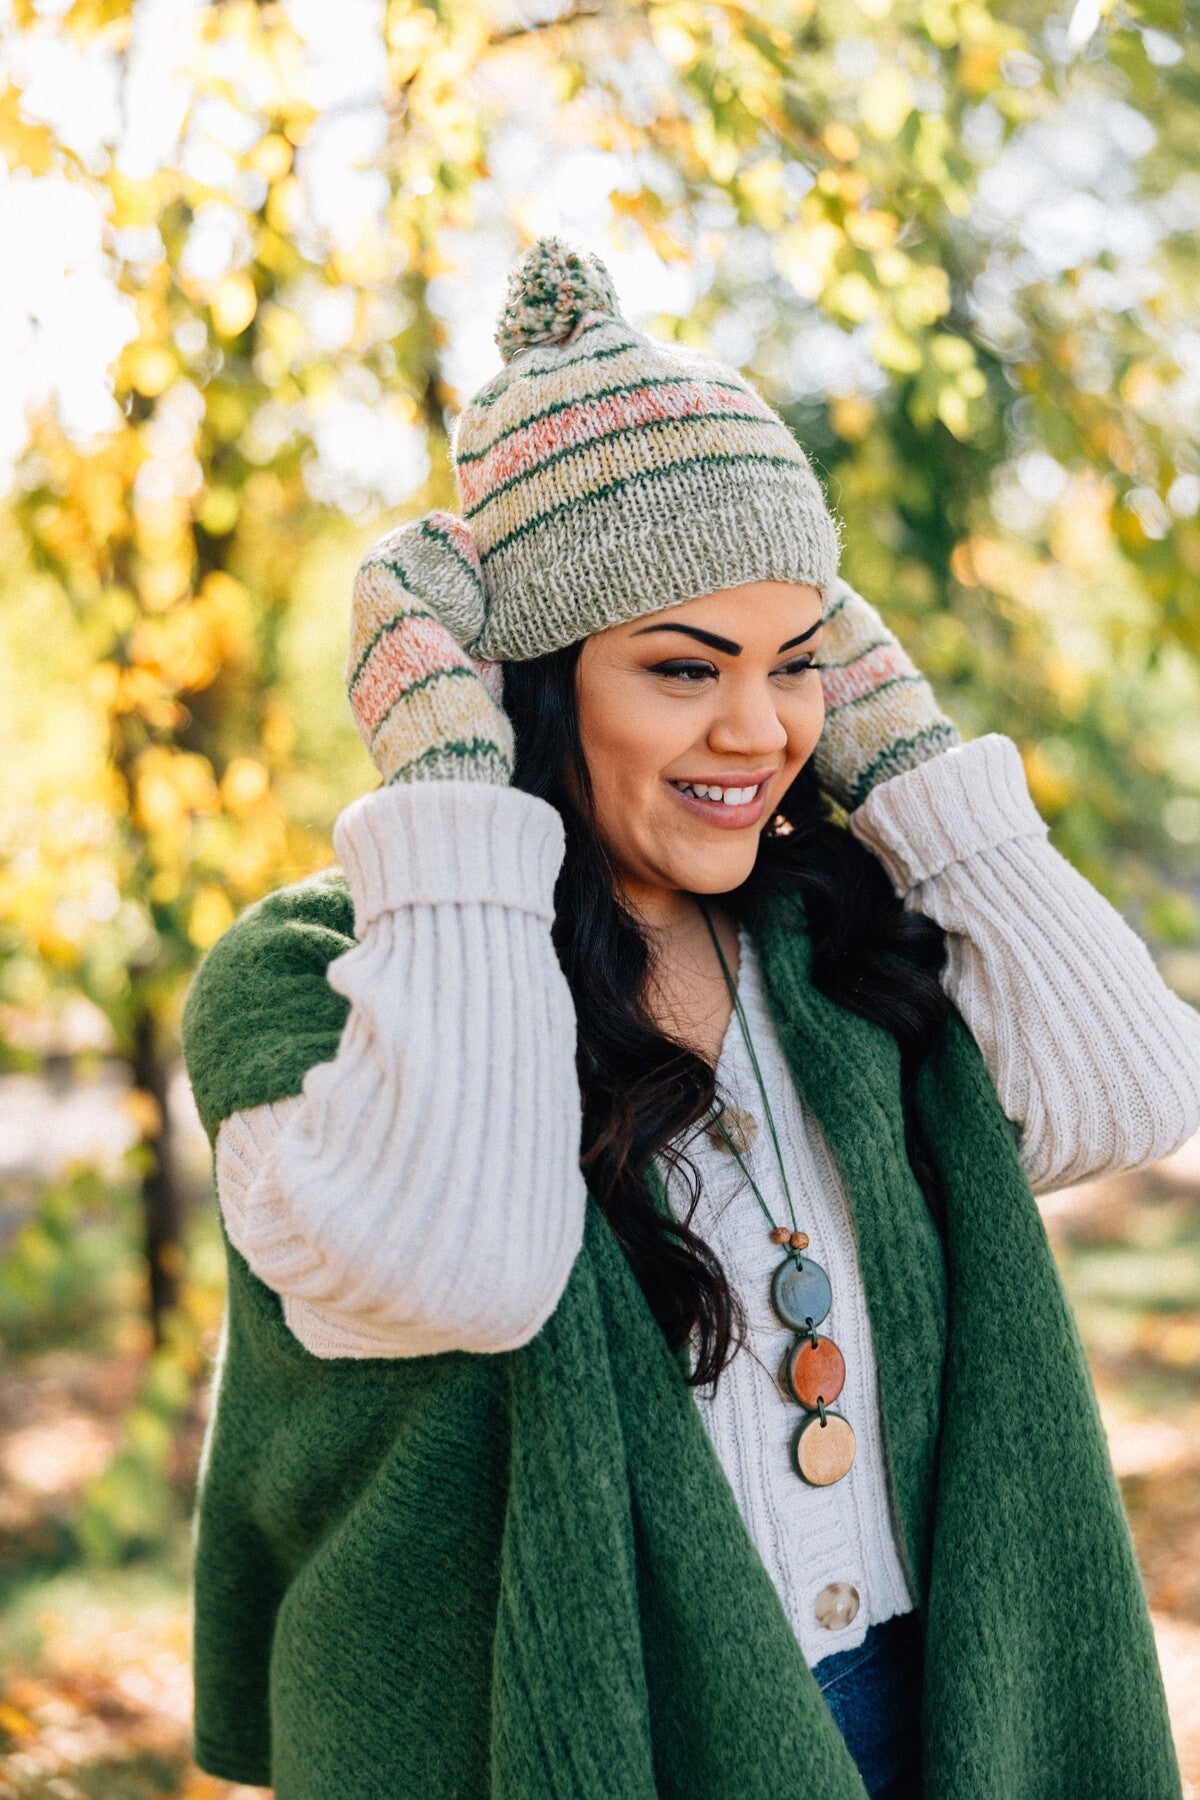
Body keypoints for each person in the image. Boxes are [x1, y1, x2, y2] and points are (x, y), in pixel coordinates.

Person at [181, 238, 1199, 1800]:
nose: (758, 728)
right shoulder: (310, 982)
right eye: (681, 666)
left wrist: (899, 744)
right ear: (522, 686)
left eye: (796, 665)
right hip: (590, 1732)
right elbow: (469, 1265)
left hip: (920, 1711)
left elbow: (1131, 1092)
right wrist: (450, 793)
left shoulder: (827, 946)